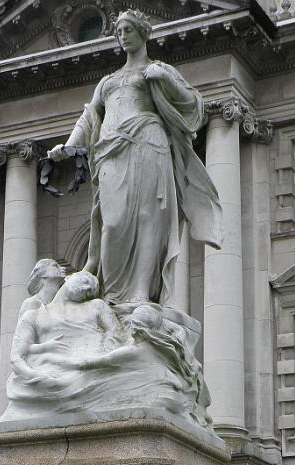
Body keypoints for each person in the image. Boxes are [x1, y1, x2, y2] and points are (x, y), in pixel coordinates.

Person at [48, 9, 222, 308]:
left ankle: (141, 292)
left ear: (143, 32)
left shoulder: (158, 69)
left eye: (128, 30)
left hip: (149, 145)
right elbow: (90, 117)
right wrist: (69, 145)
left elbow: (193, 105)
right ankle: (113, 296)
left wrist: (166, 80)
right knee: (112, 222)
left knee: (148, 220)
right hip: (112, 151)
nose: (123, 36)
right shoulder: (108, 81)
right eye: (119, 32)